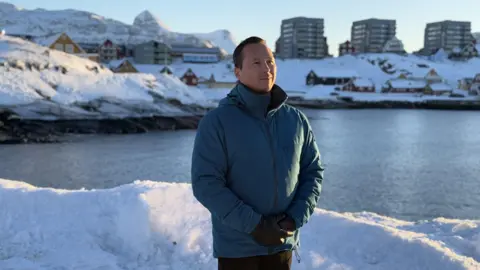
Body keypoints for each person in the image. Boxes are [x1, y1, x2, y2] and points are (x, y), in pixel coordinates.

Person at [191, 36, 324, 270]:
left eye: (270, 61)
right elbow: (206, 183)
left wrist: (294, 218)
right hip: (238, 249)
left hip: (283, 244)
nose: (266, 68)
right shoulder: (217, 123)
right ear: (238, 72)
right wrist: (256, 226)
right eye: (256, 63)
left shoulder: (296, 120)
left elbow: (312, 173)